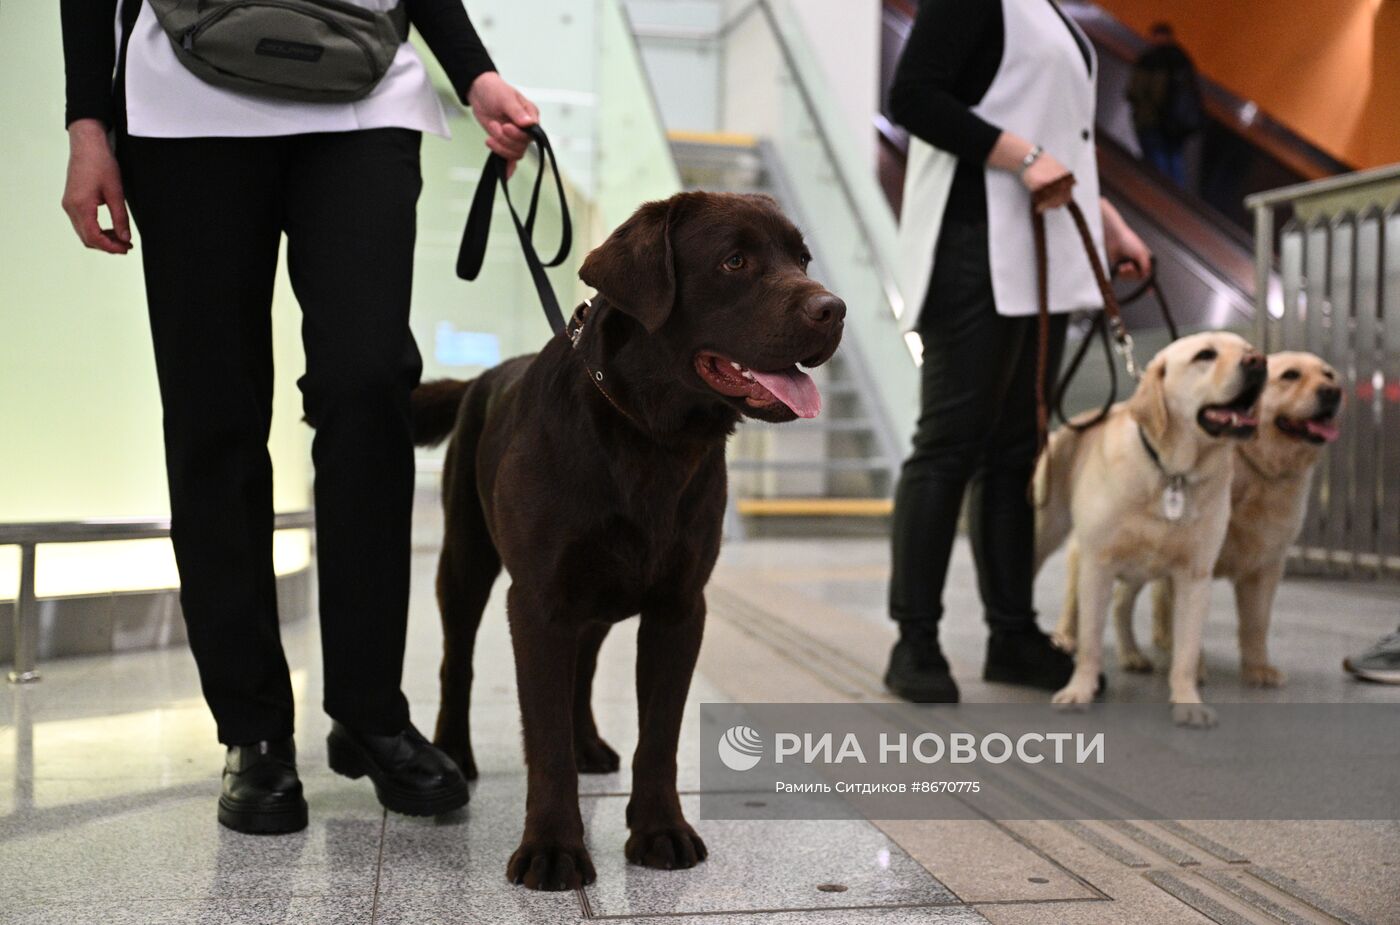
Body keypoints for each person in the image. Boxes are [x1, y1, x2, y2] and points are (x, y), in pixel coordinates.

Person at [60, 0, 538, 834]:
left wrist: (473, 69)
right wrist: (88, 121)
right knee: (215, 411)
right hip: (180, 99)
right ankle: (254, 732)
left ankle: (369, 710)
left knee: (368, 386)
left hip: (363, 91)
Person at [885, 0, 1152, 703]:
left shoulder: (1048, 12)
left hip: (1043, 251)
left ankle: (1012, 635)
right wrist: (1026, 157)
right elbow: (912, 95)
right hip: (972, 247)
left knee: (1015, 453)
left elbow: (1063, 134)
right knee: (949, 445)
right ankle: (914, 639)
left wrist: (1107, 220)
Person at [1127, 22, 1203, 188]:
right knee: (1174, 160)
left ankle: (1157, 190)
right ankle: (1176, 195)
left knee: (1156, 159)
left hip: (1153, 120)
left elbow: (1138, 90)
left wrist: (1143, 109)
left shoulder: (1151, 60)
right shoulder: (1182, 59)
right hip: (1178, 124)